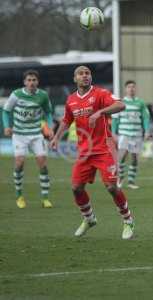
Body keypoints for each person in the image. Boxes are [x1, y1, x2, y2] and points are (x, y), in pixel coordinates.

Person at [50, 66, 135, 239]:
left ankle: (128, 220)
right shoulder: (71, 100)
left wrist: (100, 112)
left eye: (87, 73)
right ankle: (89, 219)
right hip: (85, 152)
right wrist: (56, 137)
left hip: (104, 149)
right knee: (76, 188)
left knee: (111, 187)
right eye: (81, 74)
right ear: (75, 79)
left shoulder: (100, 93)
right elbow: (67, 120)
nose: (85, 76)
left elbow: (121, 104)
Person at [2, 69, 54, 209]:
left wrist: (49, 128)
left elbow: (48, 112)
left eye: (34, 80)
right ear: (24, 82)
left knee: (42, 163)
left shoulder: (43, 95)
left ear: (38, 82)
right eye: (29, 80)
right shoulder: (16, 95)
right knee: (19, 163)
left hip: (36, 134)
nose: (31, 82)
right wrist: (7, 126)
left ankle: (45, 198)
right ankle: (19, 196)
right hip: (19, 135)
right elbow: (6, 111)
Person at [111, 80, 150, 189]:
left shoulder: (140, 103)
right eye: (129, 87)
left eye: (133, 87)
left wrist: (146, 131)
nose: (131, 89)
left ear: (135, 88)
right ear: (125, 89)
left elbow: (146, 118)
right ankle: (120, 178)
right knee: (122, 156)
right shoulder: (121, 102)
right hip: (124, 134)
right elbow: (115, 119)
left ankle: (131, 182)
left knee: (134, 158)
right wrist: (114, 133)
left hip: (137, 134)